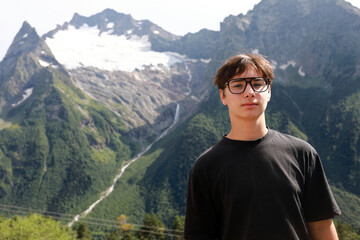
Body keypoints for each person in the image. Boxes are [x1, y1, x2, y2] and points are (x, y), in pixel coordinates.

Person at [184, 53, 341, 240]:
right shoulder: (206, 166)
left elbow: (322, 227)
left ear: (269, 91)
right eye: (237, 86)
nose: (249, 92)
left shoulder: (303, 153)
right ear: (223, 96)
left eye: (257, 84)